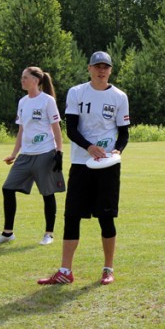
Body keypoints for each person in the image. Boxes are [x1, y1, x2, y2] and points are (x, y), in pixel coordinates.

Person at [38, 51, 130, 286]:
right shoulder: (77, 92)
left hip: (107, 166)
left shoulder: (120, 97)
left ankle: (108, 269)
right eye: (97, 66)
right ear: (89, 68)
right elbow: (71, 129)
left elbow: (124, 133)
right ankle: (65, 271)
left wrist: (117, 151)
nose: (101, 71)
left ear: (110, 70)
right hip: (81, 164)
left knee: (106, 217)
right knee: (72, 216)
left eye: (105, 67)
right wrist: (89, 147)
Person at [0, 67, 65, 246]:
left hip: (45, 153)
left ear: (36, 81)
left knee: (47, 193)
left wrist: (59, 152)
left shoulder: (48, 101)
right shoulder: (22, 102)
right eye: (22, 77)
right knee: (7, 188)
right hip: (25, 155)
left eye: (25, 77)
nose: (22, 80)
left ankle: (48, 234)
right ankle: (8, 233)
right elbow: (21, 130)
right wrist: (14, 154)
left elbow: (56, 128)